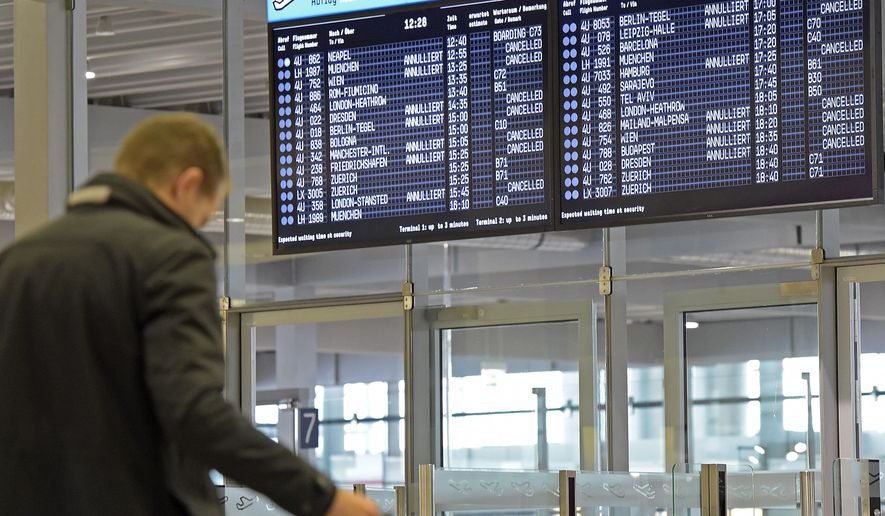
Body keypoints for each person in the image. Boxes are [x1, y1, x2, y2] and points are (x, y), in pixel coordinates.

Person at [0, 114, 381, 516]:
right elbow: (193, 412)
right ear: (188, 184)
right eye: (202, 216)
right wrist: (321, 497)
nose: (195, 228)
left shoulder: (14, 263)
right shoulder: (168, 256)